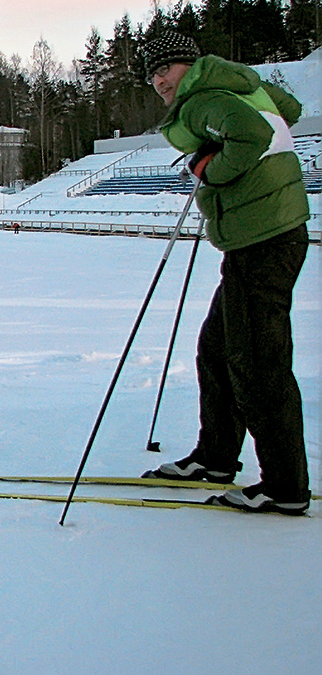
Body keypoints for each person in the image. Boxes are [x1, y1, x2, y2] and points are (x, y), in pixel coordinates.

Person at [141, 32, 311, 514]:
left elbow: (253, 136)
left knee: (257, 362)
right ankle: (215, 458)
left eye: (164, 70)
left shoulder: (203, 98)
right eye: (152, 76)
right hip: (266, 234)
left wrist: (209, 168)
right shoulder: (234, 87)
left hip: (265, 237)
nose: (158, 82)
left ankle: (285, 486)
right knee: (217, 350)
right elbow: (287, 112)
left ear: (188, 66)